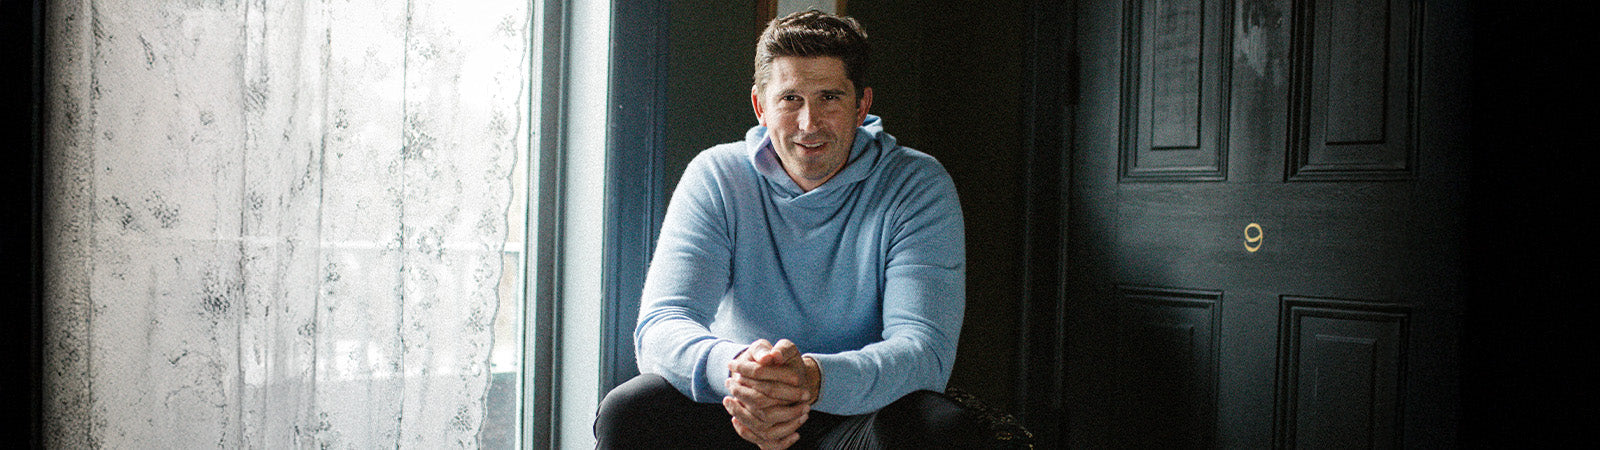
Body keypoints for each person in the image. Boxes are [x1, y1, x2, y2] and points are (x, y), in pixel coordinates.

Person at [594, 10, 985, 449]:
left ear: (862, 106)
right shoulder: (718, 176)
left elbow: (923, 352)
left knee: (935, 426)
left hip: (857, 417)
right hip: (740, 405)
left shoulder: (916, 185)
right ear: (761, 107)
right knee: (630, 409)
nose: (809, 123)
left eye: (829, 97)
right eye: (790, 99)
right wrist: (739, 369)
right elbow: (661, 325)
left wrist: (813, 379)